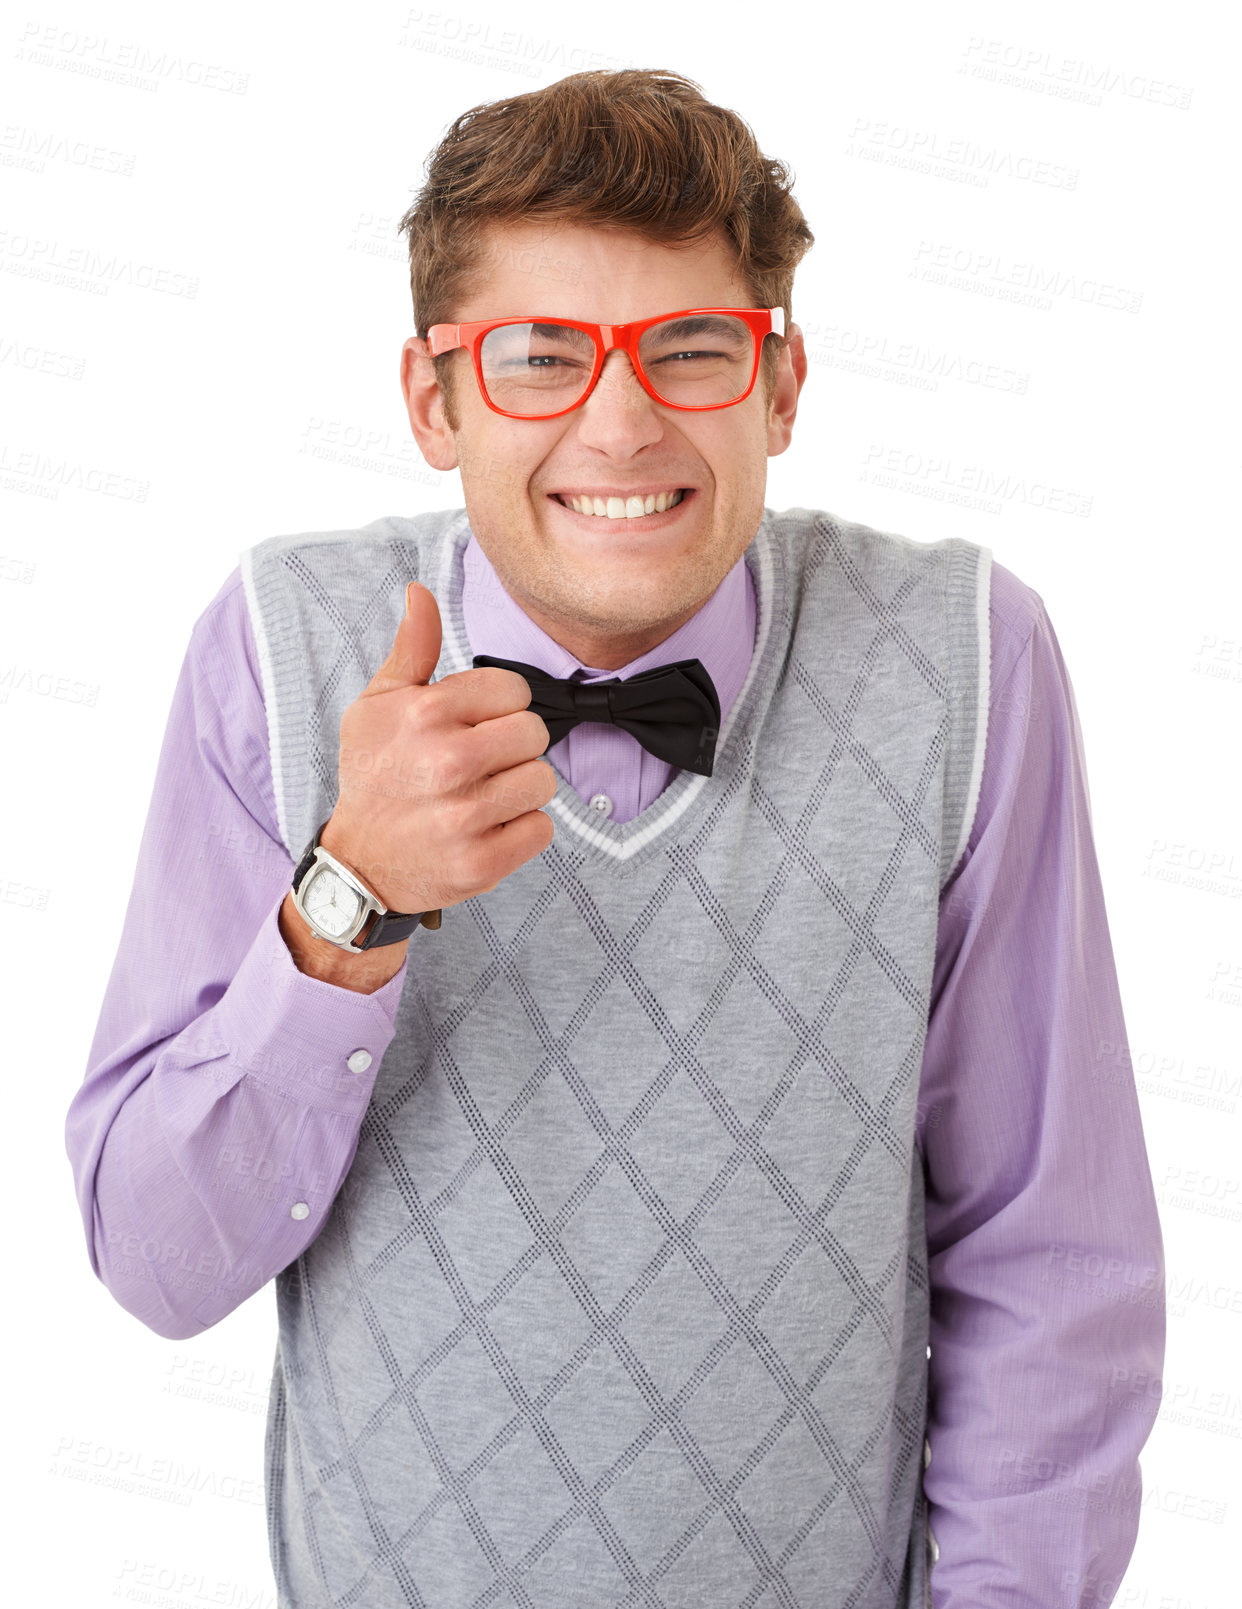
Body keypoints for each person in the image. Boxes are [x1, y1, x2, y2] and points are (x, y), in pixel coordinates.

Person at [64, 67, 1164, 1609]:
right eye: (538, 358)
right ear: (432, 398)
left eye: (691, 349)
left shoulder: (967, 661)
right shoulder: (274, 648)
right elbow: (158, 1261)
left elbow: (1050, 1266)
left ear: (780, 384)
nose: (624, 421)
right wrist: (351, 894)